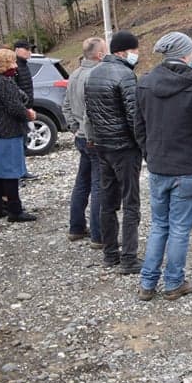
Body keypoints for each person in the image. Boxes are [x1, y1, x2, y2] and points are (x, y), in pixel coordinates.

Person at [135, 32, 192, 301]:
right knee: (179, 228)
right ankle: (173, 282)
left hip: (158, 165)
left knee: (159, 226)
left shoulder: (145, 82)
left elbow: (140, 126)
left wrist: (150, 154)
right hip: (187, 166)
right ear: (185, 54)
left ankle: (147, 283)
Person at [85, 30, 143, 274]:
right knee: (131, 203)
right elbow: (134, 115)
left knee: (107, 201)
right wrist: (143, 143)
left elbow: (90, 113)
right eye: (135, 50)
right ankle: (129, 258)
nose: (137, 55)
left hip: (102, 147)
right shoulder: (126, 75)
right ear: (123, 51)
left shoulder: (93, 73)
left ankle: (110, 254)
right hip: (125, 148)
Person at [61, 37, 107, 247]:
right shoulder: (95, 76)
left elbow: (66, 106)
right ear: (99, 54)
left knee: (82, 182)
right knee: (98, 185)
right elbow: (90, 112)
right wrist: (87, 134)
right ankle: (99, 236)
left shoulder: (75, 74)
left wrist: (74, 129)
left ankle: (76, 227)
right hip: (92, 138)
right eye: (105, 50)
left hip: (81, 136)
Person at [0, 48, 37, 222]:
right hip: (8, 132)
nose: (15, 65)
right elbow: (15, 107)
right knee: (11, 172)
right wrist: (29, 114)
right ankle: (15, 211)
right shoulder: (4, 82)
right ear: (4, 64)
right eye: (12, 62)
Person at [12, 40, 37, 180]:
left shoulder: (24, 65)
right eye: (26, 49)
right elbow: (15, 92)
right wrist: (23, 108)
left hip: (25, 108)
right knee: (17, 143)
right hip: (18, 111)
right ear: (17, 50)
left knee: (23, 141)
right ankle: (16, 174)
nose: (29, 51)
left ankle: (22, 171)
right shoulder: (14, 67)